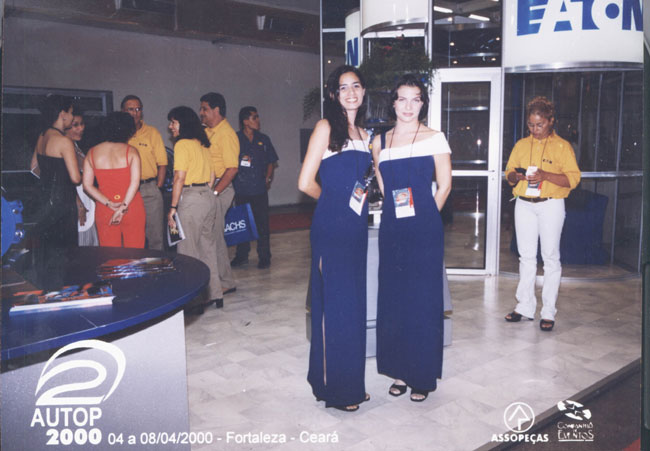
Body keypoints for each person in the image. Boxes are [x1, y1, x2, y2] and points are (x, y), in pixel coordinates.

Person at [372, 74, 452, 403]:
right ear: (393, 103)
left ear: (423, 103)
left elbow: (444, 186)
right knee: (395, 300)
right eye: (402, 99)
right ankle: (399, 372)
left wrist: (425, 219)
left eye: (415, 99)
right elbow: (382, 182)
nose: (408, 106)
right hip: (393, 229)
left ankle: (421, 374)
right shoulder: (380, 141)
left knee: (422, 300)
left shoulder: (435, 137)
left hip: (425, 230)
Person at [298, 65, 371, 412]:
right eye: (343, 87)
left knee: (353, 306)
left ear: (363, 91)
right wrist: (333, 202)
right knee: (336, 307)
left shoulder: (366, 135)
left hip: (357, 229)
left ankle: (352, 383)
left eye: (356, 86)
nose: (351, 92)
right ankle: (337, 389)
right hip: (331, 228)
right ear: (333, 94)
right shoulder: (326, 128)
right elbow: (304, 182)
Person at [504, 96, 581, 332]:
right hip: (524, 204)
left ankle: (548, 311)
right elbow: (509, 173)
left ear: (550, 121)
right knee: (526, 257)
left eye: (539, 124)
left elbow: (573, 179)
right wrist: (515, 176)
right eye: (530, 124)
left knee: (550, 257)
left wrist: (545, 175)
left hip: (551, 205)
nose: (534, 129)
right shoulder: (521, 145)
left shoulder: (562, 147)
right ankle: (525, 306)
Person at [166, 106, 220, 315]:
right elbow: (212, 176)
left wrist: (173, 207)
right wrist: (205, 191)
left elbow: (179, 178)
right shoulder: (202, 144)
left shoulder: (182, 145)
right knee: (207, 248)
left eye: (173, 122)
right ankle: (215, 294)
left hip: (191, 198)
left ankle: (194, 301)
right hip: (207, 196)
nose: (170, 126)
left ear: (183, 123)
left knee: (188, 251)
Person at [82, 112, 145, 248]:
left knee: (110, 253)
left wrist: (109, 203)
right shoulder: (131, 151)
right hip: (131, 206)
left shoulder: (92, 152)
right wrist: (122, 208)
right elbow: (135, 183)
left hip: (105, 208)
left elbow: (87, 185)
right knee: (135, 253)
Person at [30, 95, 81, 255]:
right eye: (71, 112)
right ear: (62, 114)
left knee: (49, 249)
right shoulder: (64, 141)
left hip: (45, 199)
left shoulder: (42, 136)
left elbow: (33, 168)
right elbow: (75, 178)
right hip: (63, 202)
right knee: (66, 251)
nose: (72, 117)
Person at [199, 92, 238, 296]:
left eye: (204, 109)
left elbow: (232, 169)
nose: (201, 112)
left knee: (214, 236)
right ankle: (217, 279)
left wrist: (214, 192)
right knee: (211, 236)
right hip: (209, 189)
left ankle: (226, 281)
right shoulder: (207, 131)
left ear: (216, 110)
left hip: (220, 189)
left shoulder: (226, 134)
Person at [231, 106, 279, 269]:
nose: (258, 120)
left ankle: (264, 257)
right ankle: (241, 256)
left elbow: (271, 161)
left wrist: (268, 177)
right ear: (245, 121)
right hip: (241, 189)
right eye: (254, 117)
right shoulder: (235, 139)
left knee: (262, 224)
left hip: (259, 189)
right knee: (242, 224)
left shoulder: (263, 139)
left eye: (257, 117)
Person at [121, 95, 167, 250]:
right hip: (125, 191)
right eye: (130, 109)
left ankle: (156, 265)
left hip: (149, 190)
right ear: (122, 111)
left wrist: (158, 187)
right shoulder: (119, 134)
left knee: (155, 238)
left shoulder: (152, 133)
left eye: (138, 109)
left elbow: (162, 163)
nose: (135, 113)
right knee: (130, 236)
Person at [65, 107, 99, 246]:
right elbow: (65, 181)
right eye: (75, 125)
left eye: (82, 124)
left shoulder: (75, 145)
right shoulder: (64, 147)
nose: (81, 128)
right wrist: (78, 204)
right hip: (78, 204)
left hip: (87, 201)